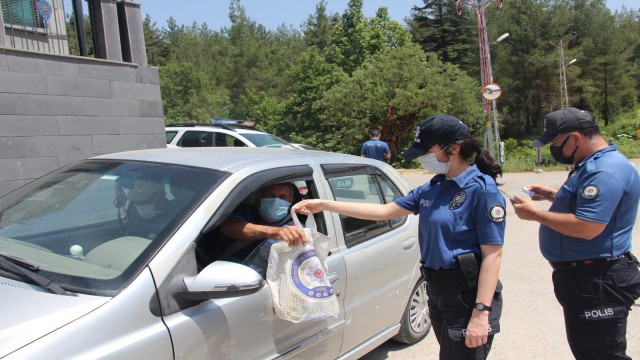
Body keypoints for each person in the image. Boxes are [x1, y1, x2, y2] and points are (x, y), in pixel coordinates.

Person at [294, 114, 506, 359]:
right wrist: (325, 204)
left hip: (467, 295)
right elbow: (385, 211)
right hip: (437, 289)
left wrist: (481, 313)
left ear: (454, 148)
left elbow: (493, 255)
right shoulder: (434, 187)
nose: (423, 159)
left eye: (428, 151)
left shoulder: (482, 190)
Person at [511, 107, 640, 360]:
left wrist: (535, 214)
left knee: (601, 354)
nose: (554, 149)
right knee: (590, 351)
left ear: (576, 138)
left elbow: (588, 226)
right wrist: (552, 195)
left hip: (597, 279)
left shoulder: (604, 170)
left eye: (557, 142)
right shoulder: (594, 164)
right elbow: (592, 207)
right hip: (586, 276)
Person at [220, 182, 307, 274]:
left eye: (282, 197)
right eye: (270, 195)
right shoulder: (245, 211)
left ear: (290, 201)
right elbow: (229, 227)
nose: (275, 201)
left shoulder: (295, 227)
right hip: (223, 271)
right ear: (259, 197)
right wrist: (273, 231)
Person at [124, 172, 170, 240]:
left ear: (158, 197)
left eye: (143, 201)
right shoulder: (135, 217)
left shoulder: (176, 219)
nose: (138, 205)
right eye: (136, 202)